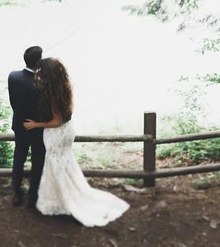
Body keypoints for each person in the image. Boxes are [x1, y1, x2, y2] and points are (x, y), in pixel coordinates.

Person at [23, 58, 129, 227]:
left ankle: (64, 201)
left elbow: (56, 122)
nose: (38, 75)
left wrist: (35, 124)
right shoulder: (63, 88)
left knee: (56, 166)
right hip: (67, 130)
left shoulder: (52, 95)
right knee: (65, 163)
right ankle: (66, 197)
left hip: (57, 132)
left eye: (41, 72)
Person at [8, 46, 46, 208]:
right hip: (38, 128)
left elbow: (13, 102)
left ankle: (16, 193)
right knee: (38, 162)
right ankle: (33, 196)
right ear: (38, 62)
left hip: (20, 125)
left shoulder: (13, 76)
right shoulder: (43, 81)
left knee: (19, 158)